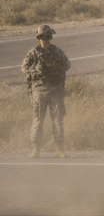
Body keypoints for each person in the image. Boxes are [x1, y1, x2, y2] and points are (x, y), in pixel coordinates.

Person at [22, 24, 71, 157]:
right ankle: (36, 149)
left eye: (48, 37)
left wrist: (56, 69)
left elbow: (67, 64)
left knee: (57, 120)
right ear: (39, 38)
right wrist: (36, 71)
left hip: (55, 90)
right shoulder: (33, 53)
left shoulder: (56, 51)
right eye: (43, 38)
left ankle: (59, 149)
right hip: (39, 90)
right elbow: (24, 68)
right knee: (38, 120)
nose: (46, 40)